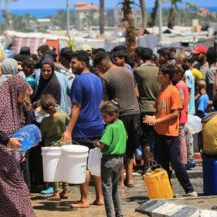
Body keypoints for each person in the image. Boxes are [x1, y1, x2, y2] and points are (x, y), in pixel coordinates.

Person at [0, 75, 36, 217]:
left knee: (0, 195)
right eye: (23, 93)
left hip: (9, 157)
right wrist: (8, 141)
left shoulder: (15, 106)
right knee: (16, 193)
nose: (24, 97)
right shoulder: (2, 101)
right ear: (15, 91)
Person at [144, 64, 197, 197]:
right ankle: (167, 191)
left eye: (160, 74)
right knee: (162, 165)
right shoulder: (161, 91)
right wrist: (153, 117)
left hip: (170, 134)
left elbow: (175, 114)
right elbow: (159, 111)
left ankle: (189, 189)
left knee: (176, 163)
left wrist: (156, 120)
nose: (158, 76)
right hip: (159, 133)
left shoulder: (174, 91)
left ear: (167, 77)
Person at [62, 50, 105, 208]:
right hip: (98, 126)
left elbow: (76, 107)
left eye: (73, 63)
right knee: (96, 164)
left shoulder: (78, 81)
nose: (71, 65)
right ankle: (100, 198)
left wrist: (68, 130)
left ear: (83, 63)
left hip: (82, 129)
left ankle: (84, 200)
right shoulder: (97, 79)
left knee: (84, 165)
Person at [103, 52, 140, 188]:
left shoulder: (106, 77)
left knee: (120, 147)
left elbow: (106, 102)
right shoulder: (128, 72)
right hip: (135, 112)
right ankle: (129, 179)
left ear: (102, 64)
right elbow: (137, 93)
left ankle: (120, 181)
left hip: (121, 114)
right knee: (130, 148)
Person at [94, 100, 126, 217]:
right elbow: (126, 137)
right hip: (120, 160)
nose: (103, 119)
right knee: (114, 188)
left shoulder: (109, 128)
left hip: (109, 160)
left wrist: (96, 142)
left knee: (106, 189)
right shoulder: (121, 124)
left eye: (105, 117)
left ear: (114, 115)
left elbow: (102, 144)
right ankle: (119, 215)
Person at [134, 48, 160, 167]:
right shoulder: (159, 70)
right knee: (157, 138)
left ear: (140, 57)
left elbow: (136, 92)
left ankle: (147, 165)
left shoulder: (138, 71)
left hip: (144, 107)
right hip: (159, 108)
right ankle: (157, 163)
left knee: (146, 140)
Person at [40, 95, 69, 200]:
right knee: (64, 167)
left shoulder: (45, 121)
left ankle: (56, 192)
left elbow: (42, 134)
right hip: (64, 144)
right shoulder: (63, 115)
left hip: (51, 146)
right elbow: (69, 126)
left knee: (54, 169)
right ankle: (65, 190)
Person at [172, 65, 189, 166]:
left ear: (179, 74)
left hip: (180, 115)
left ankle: (182, 161)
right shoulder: (182, 84)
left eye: (174, 73)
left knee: (180, 139)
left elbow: (181, 102)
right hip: (183, 114)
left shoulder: (179, 86)